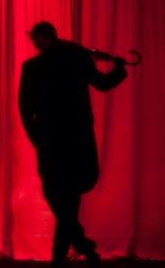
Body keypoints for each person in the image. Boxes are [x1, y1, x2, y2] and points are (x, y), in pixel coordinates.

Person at [18, 22, 128, 267]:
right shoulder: (77, 59)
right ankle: (80, 249)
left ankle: (74, 250)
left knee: (57, 196)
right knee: (68, 199)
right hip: (77, 140)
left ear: (43, 38)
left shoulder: (33, 67)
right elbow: (103, 84)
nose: (33, 43)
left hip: (51, 142)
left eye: (35, 38)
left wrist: (36, 138)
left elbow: (25, 108)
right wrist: (119, 70)